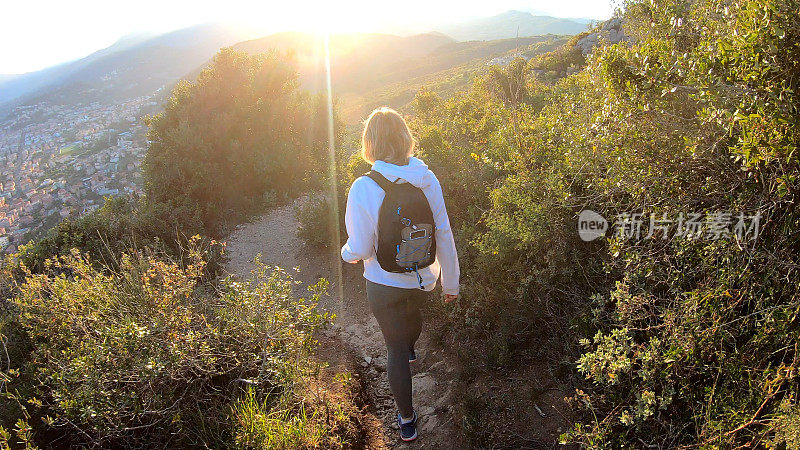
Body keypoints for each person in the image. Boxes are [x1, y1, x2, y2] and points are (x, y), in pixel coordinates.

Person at [341, 107, 460, 442]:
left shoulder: (363, 187)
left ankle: (406, 420)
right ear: (405, 138)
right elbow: (444, 232)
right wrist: (451, 281)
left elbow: (361, 248)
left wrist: (346, 254)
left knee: (393, 346)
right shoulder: (427, 177)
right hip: (423, 277)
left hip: (383, 282)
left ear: (370, 144)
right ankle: (410, 346)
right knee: (413, 318)